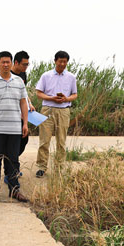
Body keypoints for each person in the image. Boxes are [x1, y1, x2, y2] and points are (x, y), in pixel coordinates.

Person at [0, 51, 29, 203]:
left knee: (13, 159)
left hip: (15, 127)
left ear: (12, 63)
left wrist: (25, 123)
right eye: (3, 62)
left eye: (8, 62)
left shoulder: (19, 82)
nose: (6, 64)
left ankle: (14, 189)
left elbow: (23, 103)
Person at [34, 50, 78, 178]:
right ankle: (41, 167)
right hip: (47, 109)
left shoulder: (71, 77)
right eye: (60, 61)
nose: (62, 64)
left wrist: (66, 99)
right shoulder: (46, 76)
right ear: (55, 61)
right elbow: (38, 93)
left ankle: (59, 167)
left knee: (61, 141)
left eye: (65, 62)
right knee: (44, 140)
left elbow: (75, 94)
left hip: (64, 110)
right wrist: (51, 98)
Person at [11, 51, 35, 160]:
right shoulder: (9, 75)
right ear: (16, 62)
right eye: (24, 64)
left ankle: (13, 160)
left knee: (24, 139)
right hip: (12, 112)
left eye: (27, 64)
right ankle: (11, 162)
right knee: (13, 139)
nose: (26, 67)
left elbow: (23, 92)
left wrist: (29, 103)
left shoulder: (23, 74)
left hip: (22, 111)